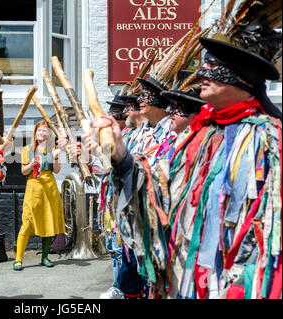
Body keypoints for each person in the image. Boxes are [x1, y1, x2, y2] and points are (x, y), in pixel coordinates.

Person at [87, 2, 282, 299]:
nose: (202, 73)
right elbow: (164, 193)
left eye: (214, 66)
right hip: (192, 284)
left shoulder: (269, 139)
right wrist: (122, 158)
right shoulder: (202, 137)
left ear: (241, 75)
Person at [13, 120, 66, 271]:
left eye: (45, 131)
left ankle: (44, 257)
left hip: (49, 187)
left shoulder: (53, 150)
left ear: (49, 134)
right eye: (40, 130)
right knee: (27, 222)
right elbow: (24, 172)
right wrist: (32, 164)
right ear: (35, 133)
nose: (42, 133)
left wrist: (56, 156)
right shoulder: (27, 149)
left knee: (48, 221)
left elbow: (56, 171)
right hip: (34, 188)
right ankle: (18, 259)